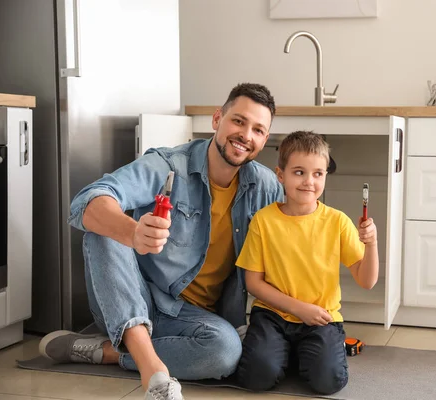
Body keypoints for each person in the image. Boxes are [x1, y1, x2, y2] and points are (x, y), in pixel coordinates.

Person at [38, 83, 283, 400]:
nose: (245, 135)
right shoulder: (168, 165)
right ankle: (155, 376)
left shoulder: (265, 187)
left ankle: (109, 352)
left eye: (258, 130)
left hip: (190, 318)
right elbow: (86, 201)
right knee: (104, 231)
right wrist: (133, 233)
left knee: (226, 351)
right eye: (238, 121)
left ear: (264, 140)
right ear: (217, 119)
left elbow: (299, 234)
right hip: (128, 297)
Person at [234, 131, 379, 395]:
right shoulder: (263, 221)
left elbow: (367, 281)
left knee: (329, 382)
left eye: (318, 174)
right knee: (255, 377)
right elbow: (253, 282)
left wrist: (372, 244)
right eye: (299, 172)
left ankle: (297, 353)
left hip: (321, 318)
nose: (308, 182)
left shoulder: (338, 222)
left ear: (325, 175)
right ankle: (283, 352)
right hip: (272, 315)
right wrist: (299, 309)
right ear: (281, 175)